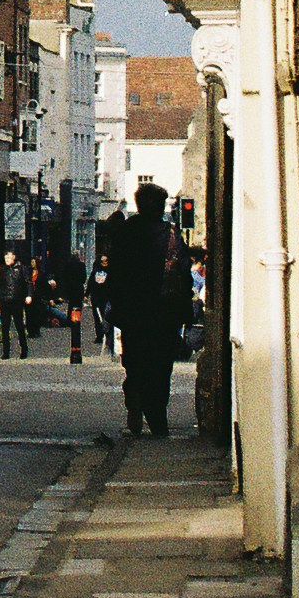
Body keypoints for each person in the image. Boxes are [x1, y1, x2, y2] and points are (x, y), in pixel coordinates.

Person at [109, 179, 189, 438]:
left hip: (133, 313)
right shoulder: (173, 236)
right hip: (164, 313)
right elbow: (184, 275)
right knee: (161, 366)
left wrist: (117, 305)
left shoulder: (126, 233)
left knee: (135, 362)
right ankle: (157, 417)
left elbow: (115, 273)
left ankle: (134, 399)